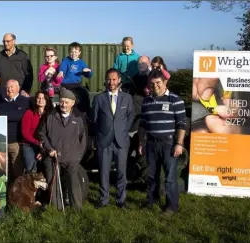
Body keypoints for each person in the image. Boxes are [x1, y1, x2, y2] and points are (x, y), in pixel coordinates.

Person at [138, 70, 187, 216]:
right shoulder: (146, 101)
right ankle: (152, 200)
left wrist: (179, 143)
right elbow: (142, 124)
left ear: (165, 82)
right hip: (151, 144)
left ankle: (171, 206)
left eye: (158, 83)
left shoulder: (175, 99)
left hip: (169, 145)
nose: (155, 86)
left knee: (170, 178)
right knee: (152, 176)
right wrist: (141, 142)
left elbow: (182, 124)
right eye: (152, 84)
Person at [90, 68, 134, 209]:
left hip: (121, 141)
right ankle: (103, 200)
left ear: (119, 80)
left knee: (121, 172)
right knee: (103, 172)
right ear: (105, 80)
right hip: (104, 141)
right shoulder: (99, 98)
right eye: (109, 79)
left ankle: (121, 199)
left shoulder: (127, 98)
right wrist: (101, 133)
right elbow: (95, 120)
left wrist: (123, 130)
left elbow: (130, 117)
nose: (111, 82)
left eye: (114, 79)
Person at [37, 89, 88, 210]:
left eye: (66, 102)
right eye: (61, 101)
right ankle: (57, 208)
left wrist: (78, 156)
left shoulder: (79, 117)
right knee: (53, 183)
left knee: (73, 183)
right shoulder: (50, 115)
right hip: (52, 157)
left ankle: (77, 208)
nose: (63, 105)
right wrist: (49, 149)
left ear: (72, 103)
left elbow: (83, 139)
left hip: (72, 157)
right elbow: (41, 134)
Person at [0, 79, 30, 180]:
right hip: (2, 143)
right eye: (7, 87)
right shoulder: (1, 103)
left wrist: (0, 114)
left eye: (12, 87)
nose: (9, 89)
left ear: (18, 88)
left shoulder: (24, 101)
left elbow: (18, 116)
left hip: (15, 142)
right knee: (5, 172)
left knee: (17, 171)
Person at [57, 42, 93, 114]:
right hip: (66, 85)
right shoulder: (66, 60)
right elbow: (62, 67)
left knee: (84, 94)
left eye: (75, 52)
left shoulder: (81, 63)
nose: (73, 54)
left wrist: (88, 72)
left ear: (79, 52)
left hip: (77, 85)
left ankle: (86, 114)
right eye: (71, 52)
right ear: (69, 52)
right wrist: (61, 72)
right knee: (71, 97)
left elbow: (88, 75)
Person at [21, 91, 52, 174]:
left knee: (45, 169)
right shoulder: (29, 113)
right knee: (31, 169)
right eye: (38, 98)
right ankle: (30, 186)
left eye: (43, 98)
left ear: (47, 100)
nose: (40, 100)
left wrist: (42, 148)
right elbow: (25, 133)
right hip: (29, 145)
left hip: (44, 145)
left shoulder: (50, 115)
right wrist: (38, 143)